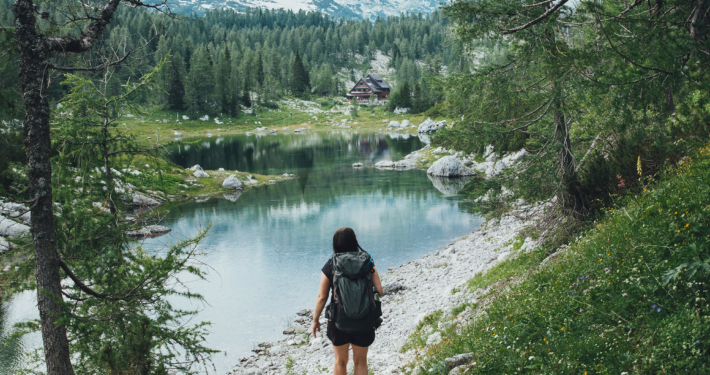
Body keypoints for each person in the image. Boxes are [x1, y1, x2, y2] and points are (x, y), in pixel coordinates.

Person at [312, 227, 384, 375]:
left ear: (336, 244)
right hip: (364, 320)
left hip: (339, 320)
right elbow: (380, 290)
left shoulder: (331, 264)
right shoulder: (367, 261)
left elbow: (322, 297)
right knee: (361, 362)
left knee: (340, 361)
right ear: (354, 241)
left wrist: (315, 319)